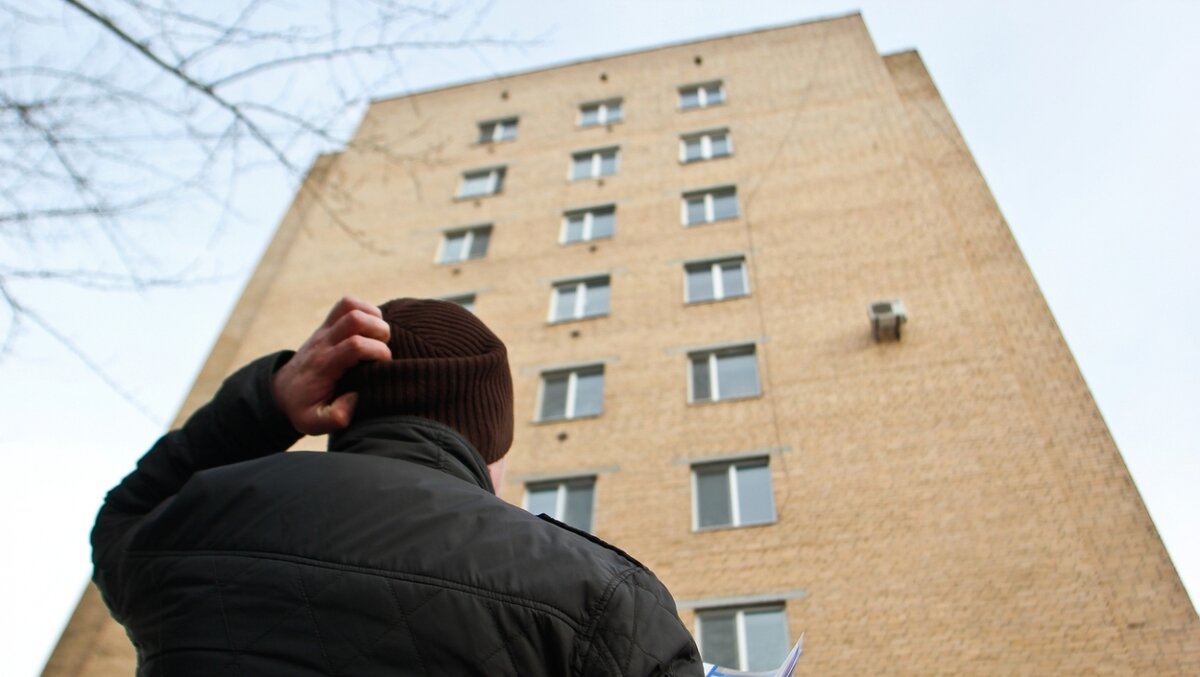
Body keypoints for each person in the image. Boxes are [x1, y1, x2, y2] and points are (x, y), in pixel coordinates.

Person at [91, 296, 703, 676]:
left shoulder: (193, 521)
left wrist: (268, 403)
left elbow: (122, 514)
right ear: (490, 443)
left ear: (337, 407)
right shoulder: (598, 593)